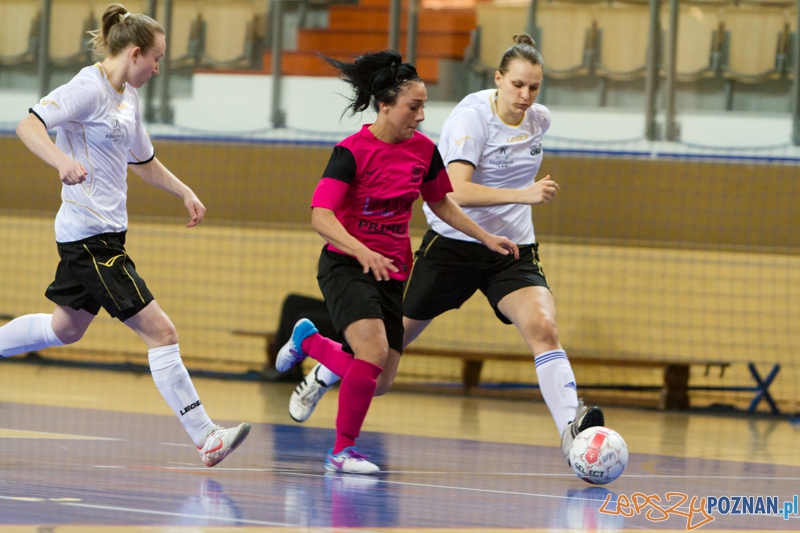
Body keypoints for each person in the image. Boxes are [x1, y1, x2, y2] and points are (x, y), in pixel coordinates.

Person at [286, 34, 605, 467]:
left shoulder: (523, 124)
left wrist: (490, 237)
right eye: (517, 85)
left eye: (534, 87)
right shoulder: (458, 123)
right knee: (376, 361)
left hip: (495, 251)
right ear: (498, 79)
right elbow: (452, 191)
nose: (526, 96)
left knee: (541, 328)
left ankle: (573, 437)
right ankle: (330, 392)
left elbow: (439, 198)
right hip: (433, 254)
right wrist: (521, 194)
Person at [1, 4, 250, 467]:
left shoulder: (126, 100)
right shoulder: (87, 88)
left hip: (107, 238)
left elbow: (144, 161)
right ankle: (206, 437)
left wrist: (184, 191)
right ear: (135, 53)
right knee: (161, 332)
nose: (158, 68)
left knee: (66, 329)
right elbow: (27, 125)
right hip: (89, 240)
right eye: (156, 58)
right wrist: (61, 162)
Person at [275, 49, 520, 474]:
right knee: (369, 354)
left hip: (392, 270)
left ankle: (310, 342)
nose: (421, 115)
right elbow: (320, 215)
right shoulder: (350, 152)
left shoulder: (424, 152)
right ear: (385, 105)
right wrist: (359, 248)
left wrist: (485, 237)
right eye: (414, 106)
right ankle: (342, 451)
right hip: (346, 264)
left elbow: (441, 202)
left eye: (424, 105)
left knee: (380, 381)